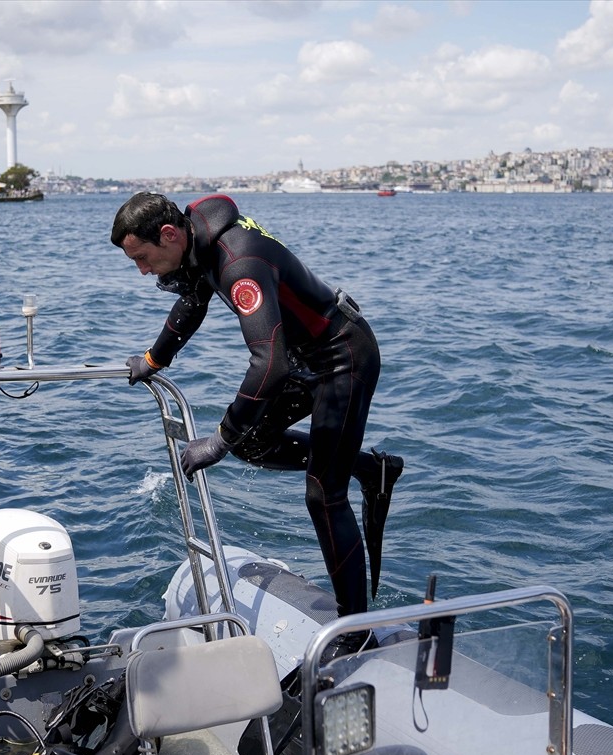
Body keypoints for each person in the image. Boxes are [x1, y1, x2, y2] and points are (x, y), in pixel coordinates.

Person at [111, 192, 402, 655]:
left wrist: (219, 440)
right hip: (310, 360)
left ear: (168, 234)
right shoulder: (198, 240)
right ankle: (369, 469)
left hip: (344, 358)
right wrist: (154, 358)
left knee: (323, 496)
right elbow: (194, 299)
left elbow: (270, 364)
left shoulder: (238, 262)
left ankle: (356, 631)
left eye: (143, 259)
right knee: (254, 443)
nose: (143, 271)